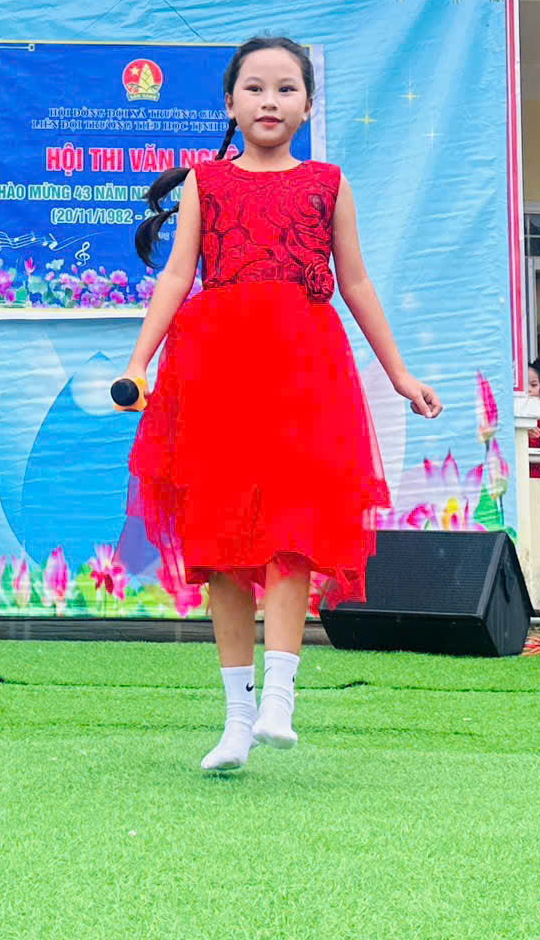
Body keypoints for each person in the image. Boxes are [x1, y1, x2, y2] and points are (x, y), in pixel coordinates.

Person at [118, 37, 442, 773]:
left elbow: (355, 283)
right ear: (230, 103)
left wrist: (399, 373)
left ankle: (280, 700)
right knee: (223, 544)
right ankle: (236, 719)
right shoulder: (205, 182)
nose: (270, 100)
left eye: (286, 88)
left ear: (308, 105)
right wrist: (139, 361)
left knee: (292, 529)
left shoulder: (329, 183)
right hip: (216, 372)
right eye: (255, 88)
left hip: (303, 370)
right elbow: (176, 276)